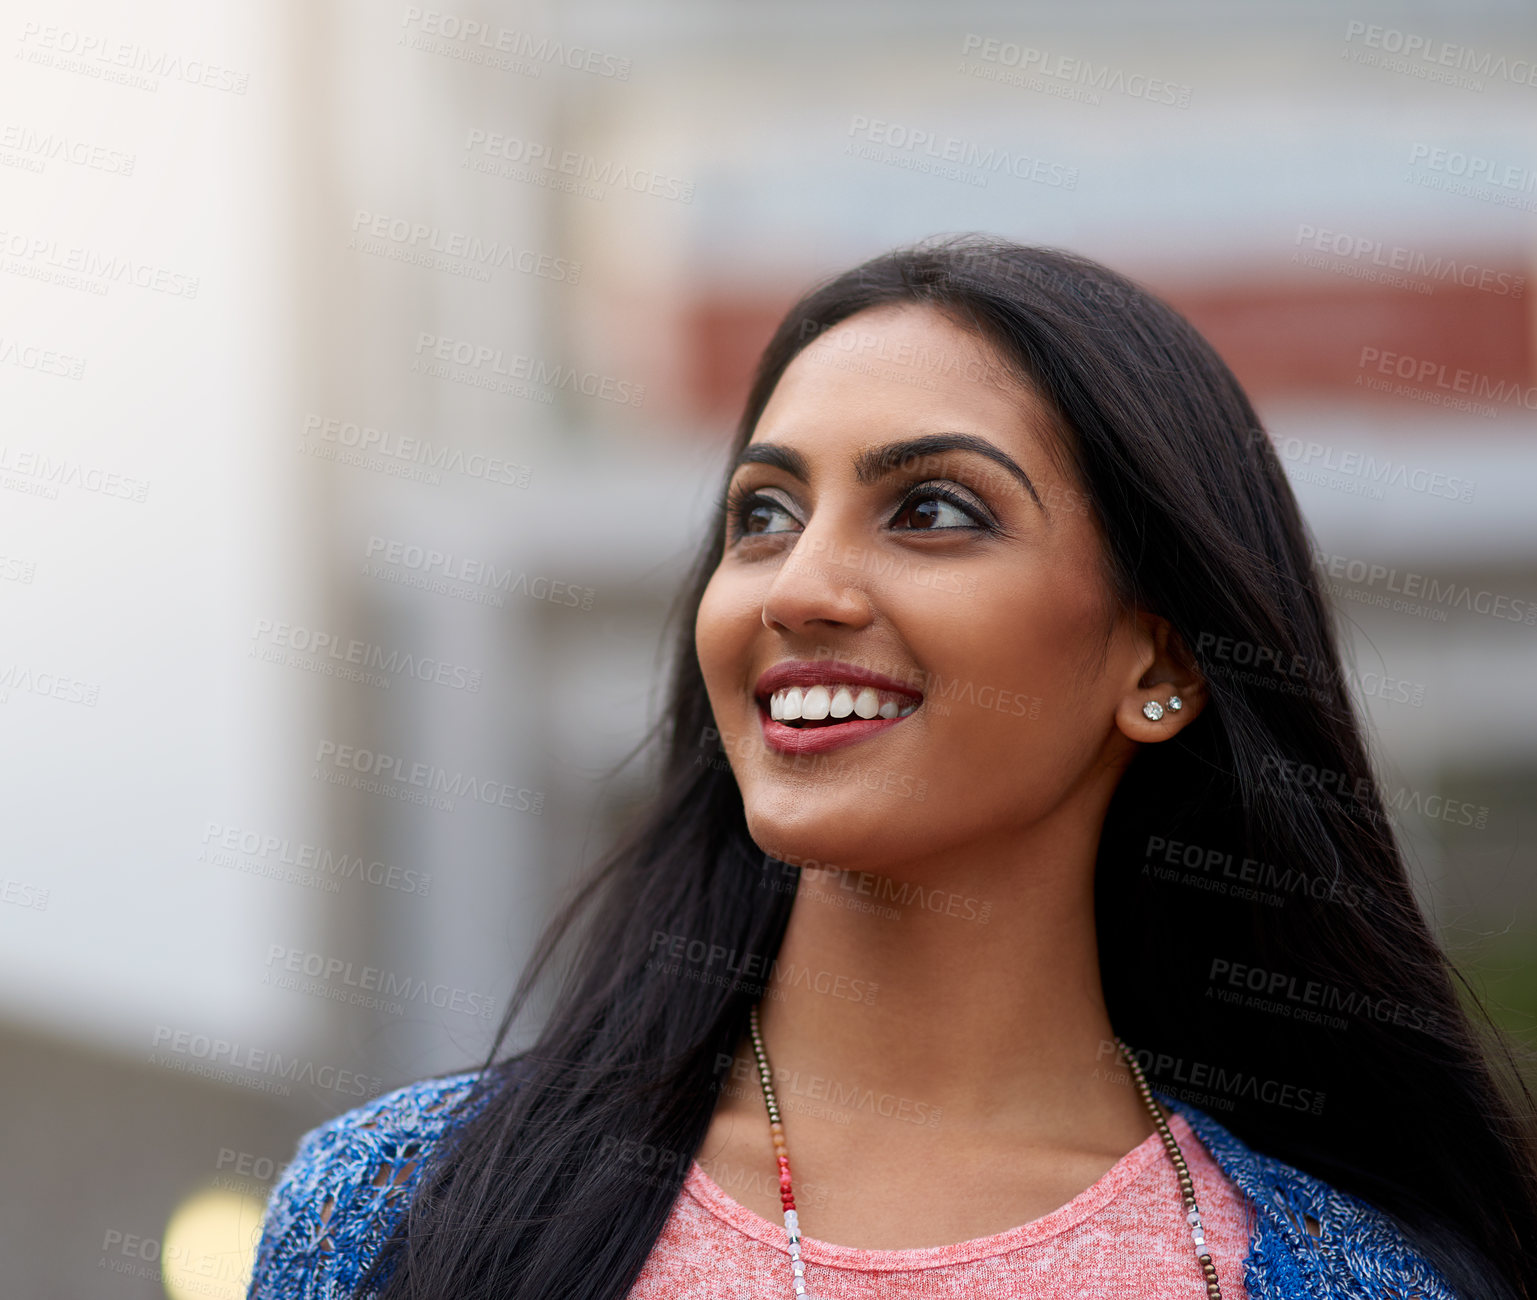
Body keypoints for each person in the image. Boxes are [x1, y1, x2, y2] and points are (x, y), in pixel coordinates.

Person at [245, 238, 1537, 1300]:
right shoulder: (398, 1217)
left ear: (1161, 666)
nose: (797, 585)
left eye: (931, 510)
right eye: (761, 515)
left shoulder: (1359, 1280)